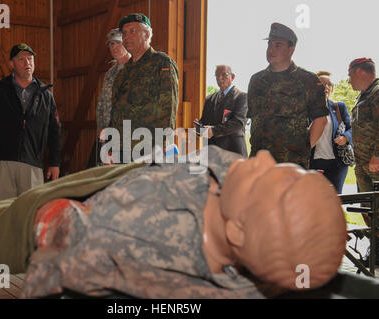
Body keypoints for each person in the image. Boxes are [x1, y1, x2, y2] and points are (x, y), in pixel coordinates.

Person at [19, 147, 346, 298]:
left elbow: (59, 264)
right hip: (130, 169)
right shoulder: (241, 195)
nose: (261, 157)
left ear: (237, 231)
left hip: (78, 204)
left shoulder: (140, 237)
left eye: (263, 175)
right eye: (276, 165)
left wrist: (61, 223)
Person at [0, 44, 61, 201]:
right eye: (21, 59)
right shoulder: (1, 88)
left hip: (32, 163)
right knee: (4, 214)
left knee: (30, 213)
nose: (27, 63)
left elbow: (55, 131)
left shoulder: (46, 96)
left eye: (30, 59)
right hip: (3, 161)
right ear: (12, 64)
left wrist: (54, 162)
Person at [247, 23, 329, 169]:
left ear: (291, 50)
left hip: (292, 164)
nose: (271, 49)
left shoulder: (308, 80)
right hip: (259, 163)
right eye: (269, 44)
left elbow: (321, 121)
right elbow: (254, 120)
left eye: (278, 45)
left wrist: (302, 149)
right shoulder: (256, 80)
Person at [108, 13, 179, 163]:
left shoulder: (162, 63)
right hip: (121, 148)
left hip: (148, 146)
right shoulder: (124, 71)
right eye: (124, 33)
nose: (126, 37)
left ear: (146, 34)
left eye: (132, 31)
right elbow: (116, 109)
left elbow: (168, 107)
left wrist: (163, 143)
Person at [348, 57, 379, 266]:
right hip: (363, 164)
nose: (348, 80)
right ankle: (376, 249)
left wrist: (377, 155)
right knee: (368, 208)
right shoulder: (363, 95)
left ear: (360, 72)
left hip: (375, 163)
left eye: (350, 74)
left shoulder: (377, 93)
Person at [87, 29, 131, 168]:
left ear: (126, 44)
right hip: (107, 133)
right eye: (111, 44)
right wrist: (101, 128)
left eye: (118, 43)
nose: (114, 47)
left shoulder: (135, 69)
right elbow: (102, 103)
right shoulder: (110, 73)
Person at [309, 71, 352, 194]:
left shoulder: (339, 107)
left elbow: (351, 128)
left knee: (334, 200)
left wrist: (345, 137)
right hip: (312, 162)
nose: (326, 87)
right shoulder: (304, 109)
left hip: (336, 163)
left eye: (329, 84)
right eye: (322, 84)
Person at [196, 65, 248, 156]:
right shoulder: (209, 99)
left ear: (232, 77)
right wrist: (199, 127)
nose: (220, 78)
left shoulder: (242, 97)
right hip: (212, 154)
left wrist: (213, 131)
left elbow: (238, 123)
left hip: (233, 153)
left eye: (224, 75)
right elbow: (205, 121)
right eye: (217, 75)